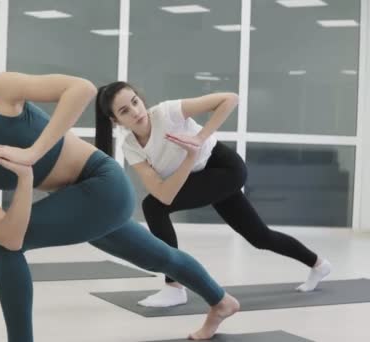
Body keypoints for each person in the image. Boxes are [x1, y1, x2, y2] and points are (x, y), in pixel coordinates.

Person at [0, 72, 240, 341]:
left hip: (103, 184)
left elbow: (80, 89)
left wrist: (32, 154)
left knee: (2, 251)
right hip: (77, 201)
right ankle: (221, 301)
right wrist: (23, 178)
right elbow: (7, 232)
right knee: (158, 257)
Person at [94, 81, 331, 308]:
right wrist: (189, 156)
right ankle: (319, 264)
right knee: (260, 237)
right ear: (116, 120)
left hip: (224, 168)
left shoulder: (167, 113)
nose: (135, 111)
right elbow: (162, 193)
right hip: (200, 176)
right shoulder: (131, 147)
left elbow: (229, 99)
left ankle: (174, 286)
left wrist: (199, 138)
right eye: (125, 111)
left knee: (153, 207)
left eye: (135, 102)